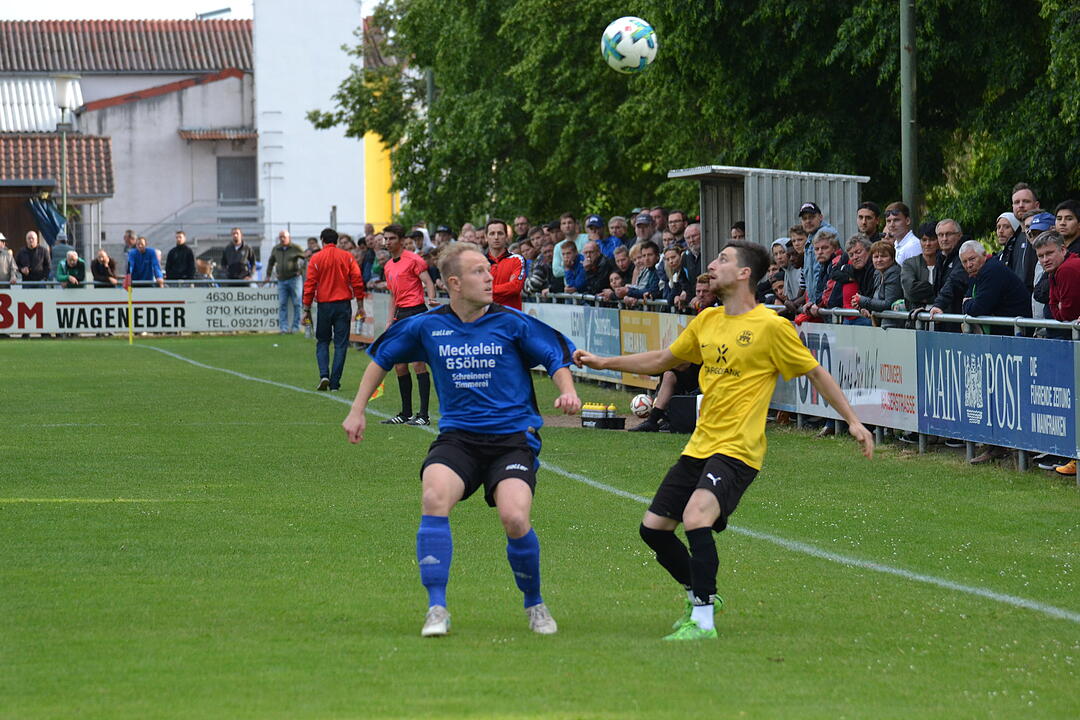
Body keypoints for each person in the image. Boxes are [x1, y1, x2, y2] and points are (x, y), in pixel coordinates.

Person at [574, 240, 874, 640]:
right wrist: (604, 361)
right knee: (653, 529)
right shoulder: (707, 320)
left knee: (696, 517)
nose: (713, 265)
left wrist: (853, 421)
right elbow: (663, 359)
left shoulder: (772, 326)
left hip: (738, 449)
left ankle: (703, 621)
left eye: (723, 260)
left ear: (744, 273)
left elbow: (816, 373)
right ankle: (699, 593)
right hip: (700, 445)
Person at [341, 241, 581, 637]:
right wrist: (357, 409)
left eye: (489, 270)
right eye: (479, 272)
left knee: (515, 517)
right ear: (454, 283)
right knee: (434, 497)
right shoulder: (427, 326)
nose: (489, 278)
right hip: (458, 439)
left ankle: (535, 603)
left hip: (512, 440)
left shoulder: (512, 322)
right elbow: (382, 358)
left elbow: (556, 356)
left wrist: (567, 390)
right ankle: (436, 608)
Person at [381, 223, 438, 425]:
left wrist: (431, 299)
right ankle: (405, 413)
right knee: (399, 365)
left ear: (402, 240)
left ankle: (423, 415)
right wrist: (389, 321)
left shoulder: (414, 259)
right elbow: (392, 295)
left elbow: (428, 281)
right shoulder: (388, 266)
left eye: (391, 238)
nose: (387, 242)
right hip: (400, 316)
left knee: (417, 363)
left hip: (416, 313)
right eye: (385, 238)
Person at [302, 228, 366, 392]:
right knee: (341, 344)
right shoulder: (347, 257)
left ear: (322, 240)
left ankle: (324, 374)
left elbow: (310, 284)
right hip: (343, 304)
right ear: (336, 241)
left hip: (324, 305)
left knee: (323, 341)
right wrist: (360, 305)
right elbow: (357, 281)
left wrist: (306, 308)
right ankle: (335, 383)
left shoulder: (316, 258)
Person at [852, 241, 902, 327]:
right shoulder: (877, 273)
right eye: (876, 257)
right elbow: (876, 301)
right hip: (882, 324)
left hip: (895, 326)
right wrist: (863, 307)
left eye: (883, 256)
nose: (879, 260)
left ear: (893, 258)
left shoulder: (894, 274)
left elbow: (888, 304)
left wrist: (863, 301)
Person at [266, 229, 307, 333]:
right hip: (281, 280)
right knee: (282, 304)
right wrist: (268, 275)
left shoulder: (295, 248)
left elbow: (306, 258)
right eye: (280, 237)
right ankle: (283, 328)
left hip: (294, 279)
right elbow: (271, 262)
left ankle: (296, 327)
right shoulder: (276, 249)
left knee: (297, 303)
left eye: (284, 237)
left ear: (289, 238)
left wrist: (301, 271)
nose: (282, 239)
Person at [484, 219, 526, 310]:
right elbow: (473, 290)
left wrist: (487, 289)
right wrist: (506, 288)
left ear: (506, 236)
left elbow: (515, 287)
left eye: (500, 233)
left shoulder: (517, 259)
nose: (496, 237)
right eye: (492, 234)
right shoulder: (479, 262)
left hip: (510, 315)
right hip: (486, 315)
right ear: (486, 237)